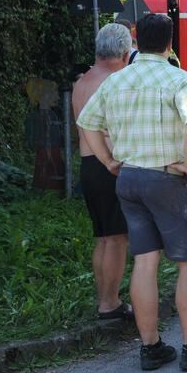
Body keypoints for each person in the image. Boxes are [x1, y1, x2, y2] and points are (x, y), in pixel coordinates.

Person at [77, 13, 187, 372]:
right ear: (170, 43)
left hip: (128, 179)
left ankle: (151, 348)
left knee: (145, 261)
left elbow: (87, 123)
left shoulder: (116, 81)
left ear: (136, 43)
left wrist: (109, 161)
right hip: (166, 179)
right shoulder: (178, 79)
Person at [71, 23, 133, 321]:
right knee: (117, 238)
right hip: (109, 164)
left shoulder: (82, 81)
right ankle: (110, 303)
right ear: (124, 52)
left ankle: (105, 297)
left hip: (88, 165)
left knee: (103, 237)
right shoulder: (114, 82)